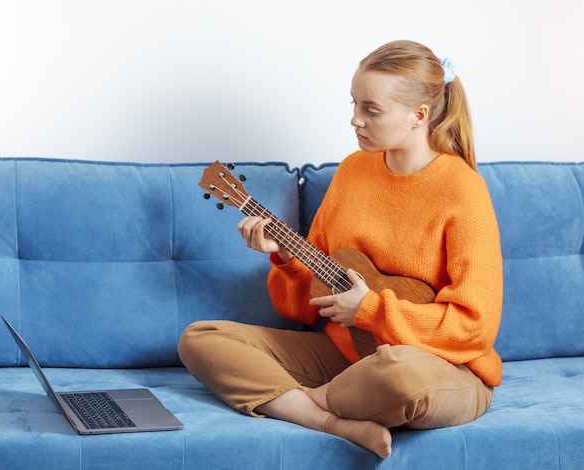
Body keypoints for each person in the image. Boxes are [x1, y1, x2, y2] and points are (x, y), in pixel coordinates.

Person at [178, 39, 503, 459]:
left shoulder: (463, 191)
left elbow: (475, 325)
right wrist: (285, 257)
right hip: (346, 355)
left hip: (439, 366)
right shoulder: (353, 172)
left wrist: (369, 310)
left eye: (371, 109)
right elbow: (303, 307)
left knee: (399, 377)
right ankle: (329, 420)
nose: (355, 120)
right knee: (201, 339)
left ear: (418, 116)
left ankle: (306, 400)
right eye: (354, 104)